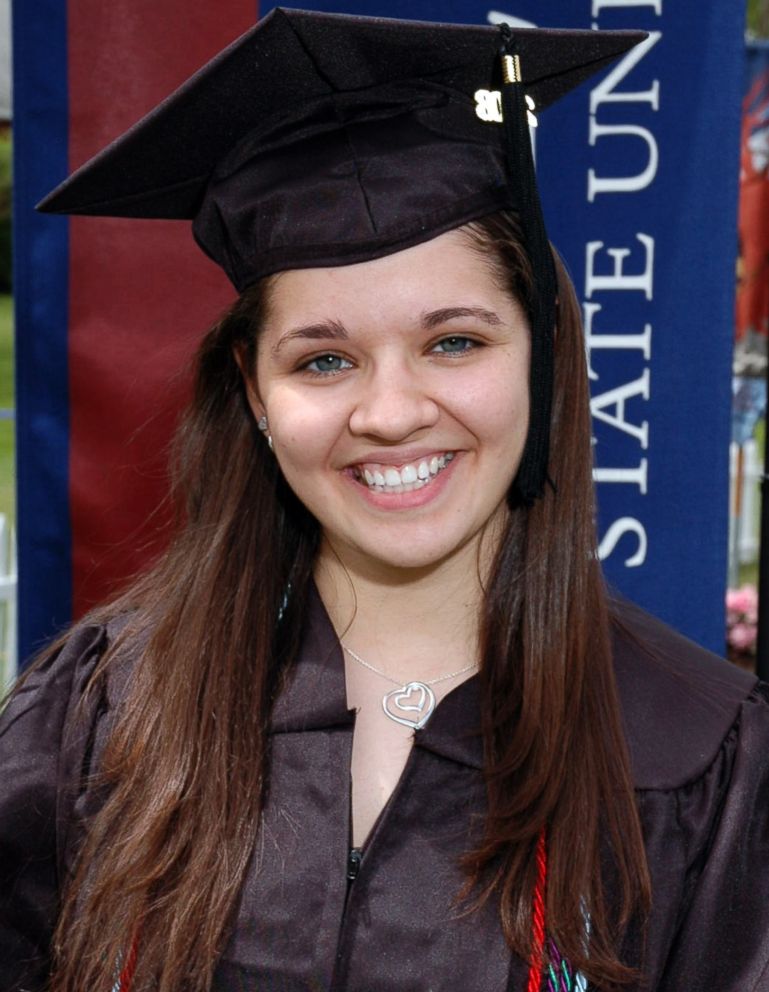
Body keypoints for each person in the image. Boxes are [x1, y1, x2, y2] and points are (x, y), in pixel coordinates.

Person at [2, 9, 768, 992]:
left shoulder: (695, 758)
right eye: (323, 359)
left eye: (455, 341)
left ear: (541, 346)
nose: (392, 411)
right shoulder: (103, 711)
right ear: (252, 390)